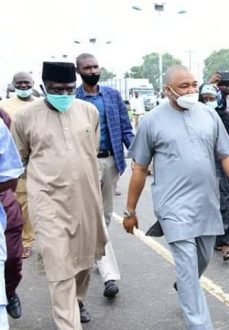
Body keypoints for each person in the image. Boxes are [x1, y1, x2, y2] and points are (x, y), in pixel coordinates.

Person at [123, 65, 229, 330]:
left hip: (206, 203)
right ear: (168, 90)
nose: (192, 90)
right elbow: (140, 169)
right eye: (184, 86)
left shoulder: (208, 115)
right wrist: (130, 211)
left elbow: (226, 154)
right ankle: (199, 324)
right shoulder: (151, 121)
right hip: (172, 207)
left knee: (201, 260)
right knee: (187, 265)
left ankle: (184, 284)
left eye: (194, 84)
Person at [11, 61, 107, 328]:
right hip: (47, 201)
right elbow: (17, 160)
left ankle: (77, 299)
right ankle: (68, 323)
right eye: (56, 89)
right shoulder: (25, 117)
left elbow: (90, 152)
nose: (64, 95)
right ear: (43, 87)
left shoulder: (88, 112)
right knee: (59, 264)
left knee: (85, 261)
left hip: (86, 199)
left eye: (68, 89)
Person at [75, 53, 134, 299]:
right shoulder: (73, 99)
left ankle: (98, 254)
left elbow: (125, 127)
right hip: (84, 164)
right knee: (94, 216)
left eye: (96, 66)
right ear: (79, 71)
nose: (93, 70)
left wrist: (138, 154)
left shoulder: (111, 95)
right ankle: (109, 275)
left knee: (106, 215)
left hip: (111, 161)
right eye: (87, 67)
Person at [199, 84, 229, 261]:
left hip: (225, 166)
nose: (209, 101)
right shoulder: (195, 120)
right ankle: (210, 238)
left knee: (226, 204)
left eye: (212, 98)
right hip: (203, 167)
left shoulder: (227, 118)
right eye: (205, 99)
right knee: (208, 204)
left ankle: (225, 244)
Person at [0, 72, 37, 260]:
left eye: (27, 83)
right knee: (22, 202)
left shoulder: (40, 105)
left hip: (40, 160)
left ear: (33, 84)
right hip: (16, 162)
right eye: (19, 83)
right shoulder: (4, 107)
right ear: (13, 85)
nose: (23, 86)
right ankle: (26, 240)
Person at [0, 109, 26, 320]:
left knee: (12, 258)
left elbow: (11, 174)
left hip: (4, 203)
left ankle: (9, 292)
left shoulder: (3, 120)